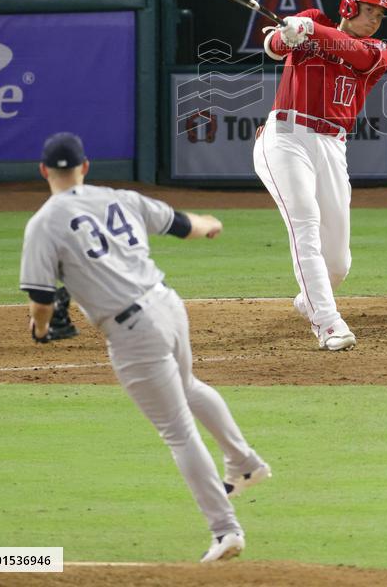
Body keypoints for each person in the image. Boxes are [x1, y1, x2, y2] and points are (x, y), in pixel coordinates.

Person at [20, 130, 271, 562]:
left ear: (43, 170)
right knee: (189, 386)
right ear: (85, 166)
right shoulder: (121, 197)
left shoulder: (43, 223)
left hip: (133, 331)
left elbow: (42, 300)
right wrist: (211, 224)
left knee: (178, 433)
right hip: (169, 305)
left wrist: (39, 331)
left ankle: (225, 530)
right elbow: (183, 225)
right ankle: (246, 462)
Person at [254, 0, 387, 351]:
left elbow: (355, 54)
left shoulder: (378, 50)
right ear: (348, 7)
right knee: (305, 223)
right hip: (286, 135)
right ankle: (328, 324)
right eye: (369, 11)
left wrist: (312, 32)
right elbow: (271, 47)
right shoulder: (312, 18)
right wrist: (288, 34)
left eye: (380, 15)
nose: (375, 20)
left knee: (338, 265)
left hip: (332, 145)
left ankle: (309, 298)